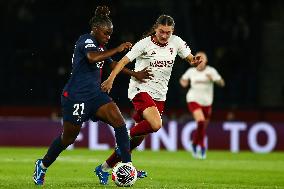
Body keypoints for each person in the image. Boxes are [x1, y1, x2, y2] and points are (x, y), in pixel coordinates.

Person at [33, 5, 151, 186]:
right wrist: (118, 48)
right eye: (106, 33)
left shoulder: (100, 46)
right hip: (76, 97)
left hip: (96, 96)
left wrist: (136, 74)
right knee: (68, 138)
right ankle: (42, 164)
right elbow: (92, 58)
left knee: (120, 124)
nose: (108, 37)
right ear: (95, 29)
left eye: (110, 34)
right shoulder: (86, 40)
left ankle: (127, 165)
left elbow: (112, 66)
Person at [95, 14, 203, 184]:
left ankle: (103, 168)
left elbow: (189, 58)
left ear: (172, 31)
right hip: (140, 90)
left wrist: (194, 61)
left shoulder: (176, 42)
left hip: (160, 95)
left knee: (137, 140)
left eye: (168, 32)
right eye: (161, 31)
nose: (165, 35)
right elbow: (122, 61)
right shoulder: (144, 44)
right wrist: (110, 79)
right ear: (156, 29)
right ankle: (124, 138)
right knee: (156, 124)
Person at [179, 51, 225, 159]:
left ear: (206, 61)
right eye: (198, 59)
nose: (200, 61)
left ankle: (195, 144)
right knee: (200, 121)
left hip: (207, 103)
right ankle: (203, 147)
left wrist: (215, 80)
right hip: (193, 99)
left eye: (202, 59)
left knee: (202, 127)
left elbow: (222, 83)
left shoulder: (211, 71)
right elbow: (183, 80)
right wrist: (183, 82)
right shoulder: (191, 71)